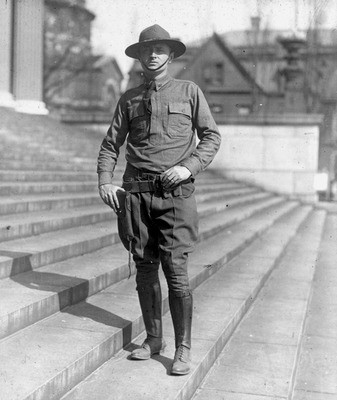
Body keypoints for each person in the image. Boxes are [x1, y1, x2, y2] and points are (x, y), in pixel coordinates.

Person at [97, 24, 221, 375]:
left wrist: (188, 168)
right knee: (144, 269)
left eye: (160, 49)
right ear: (139, 57)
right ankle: (154, 339)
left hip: (175, 194)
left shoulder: (189, 91)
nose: (153, 55)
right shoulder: (129, 99)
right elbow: (110, 145)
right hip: (136, 194)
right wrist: (105, 180)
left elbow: (211, 136)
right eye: (146, 50)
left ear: (170, 55)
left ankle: (182, 348)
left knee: (176, 272)